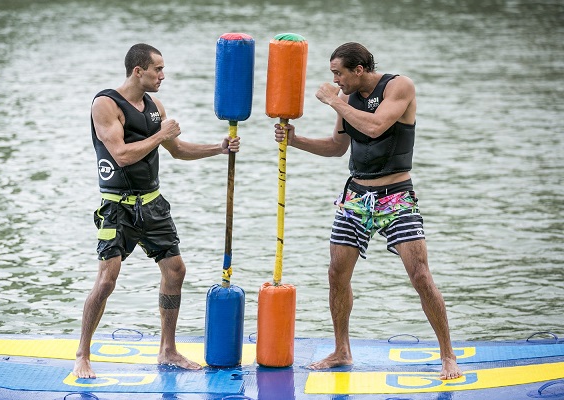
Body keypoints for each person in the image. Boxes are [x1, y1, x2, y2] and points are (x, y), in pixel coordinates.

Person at [274, 42, 462, 380]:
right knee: (336, 274)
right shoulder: (346, 99)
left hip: (396, 195)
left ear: (358, 70)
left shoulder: (399, 86)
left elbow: (376, 127)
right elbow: (336, 147)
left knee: (420, 274)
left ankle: (448, 355)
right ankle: (342, 349)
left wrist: (333, 100)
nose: (335, 80)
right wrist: (294, 139)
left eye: (338, 74)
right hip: (356, 195)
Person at [73, 43, 240, 378]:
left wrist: (218, 148)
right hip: (117, 208)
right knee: (107, 280)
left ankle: (168, 350)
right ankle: (82, 354)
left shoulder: (154, 106)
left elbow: (177, 150)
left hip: (153, 205)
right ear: (139, 70)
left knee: (175, 271)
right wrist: (161, 134)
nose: (163, 75)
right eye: (158, 69)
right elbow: (120, 154)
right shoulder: (106, 103)